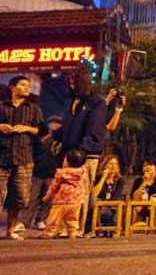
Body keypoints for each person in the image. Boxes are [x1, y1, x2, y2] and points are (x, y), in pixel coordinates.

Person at [53, 66, 107, 235]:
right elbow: (67, 126)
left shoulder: (97, 101)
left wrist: (82, 150)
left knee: (81, 195)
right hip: (68, 154)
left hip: (86, 155)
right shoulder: (69, 101)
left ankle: (76, 228)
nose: (71, 83)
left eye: (74, 80)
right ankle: (62, 228)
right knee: (65, 193)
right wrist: (56, 136)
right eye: (69, 80)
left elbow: (95, 130)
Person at [0, 75, 47, 240]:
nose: (27, 88)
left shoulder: (33, 109)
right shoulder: (2, 106)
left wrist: (27, 128)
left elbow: (42, 130)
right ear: (12, 87)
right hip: (2, 156)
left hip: (23, 157)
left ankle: (10, 230)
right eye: (22, 85)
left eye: (28, 85)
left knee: (18, 196)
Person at [16, 116, 62, 233]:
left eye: (57, 123)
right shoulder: (38, 138)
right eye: (52, 123)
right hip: (37, 171)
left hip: (52, 172)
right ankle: (24, 222)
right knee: (32, 198)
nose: (55, 125)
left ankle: (41, 219)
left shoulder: (60, 140)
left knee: (48, 198)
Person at [39, 149, 88, 239]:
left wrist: (47, 197)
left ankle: (48, 233)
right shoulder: (82, 172)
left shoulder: (61, 173)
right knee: (72, 218)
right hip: (76, 200)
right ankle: (72, 233)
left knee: (54, 217)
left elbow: (54, 186)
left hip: (62, 200)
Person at [89, 154, 125, 236]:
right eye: (110, 164)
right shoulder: (98, 177)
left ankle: (108, 228)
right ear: (105, 165)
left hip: (110, 206)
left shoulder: (120, 180)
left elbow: (115, 197)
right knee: (93, 200)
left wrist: (106, 204)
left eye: (115, 164)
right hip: (97, 205)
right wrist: (104, 177)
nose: (113, 166)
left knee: (108, 210)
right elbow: (95, 194)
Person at [130, 158, 156, 225]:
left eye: (151, 165)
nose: (148, 167)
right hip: (145, 205)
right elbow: (135, 198)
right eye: (145, 165)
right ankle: (129, 229)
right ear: (142, 169)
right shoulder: (138, 180)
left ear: (155, 167)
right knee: (134, 208)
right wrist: (144, 183)